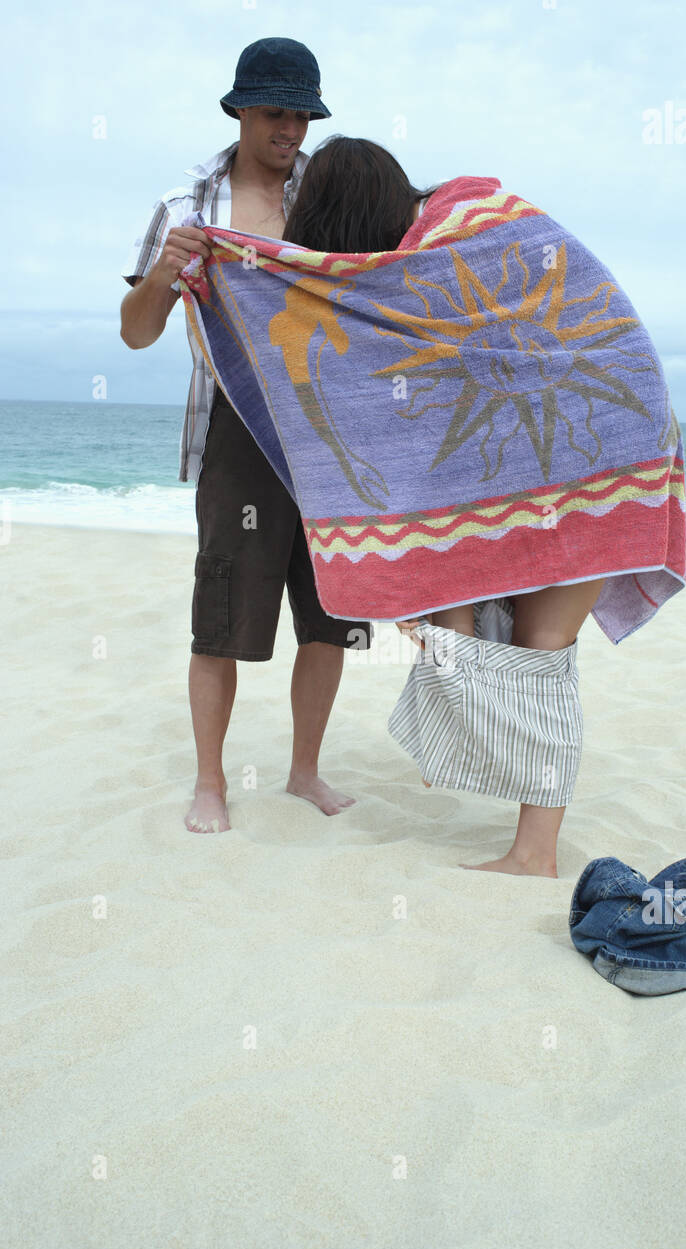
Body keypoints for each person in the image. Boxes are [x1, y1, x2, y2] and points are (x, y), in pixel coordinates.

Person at [283, 137, 607, 876]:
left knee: (541, 648)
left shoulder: (445, 243)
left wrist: (434, 597)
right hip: (596, 440)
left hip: (587, 449)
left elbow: (444, 412)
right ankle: (531, 843)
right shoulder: (464, 216)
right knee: (536, 644)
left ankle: (533, 851)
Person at [119, 39, 373, 833]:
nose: (290, 130)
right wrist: (165, 272)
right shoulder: (186, 208)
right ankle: (210, 784)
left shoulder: (329, 199)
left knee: (332, 611)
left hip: (330, 428)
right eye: (274, 113)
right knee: (222, 609)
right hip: (239, 426)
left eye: (301, 114)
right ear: (238, 110)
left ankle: (304, 773)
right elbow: (135, 334)